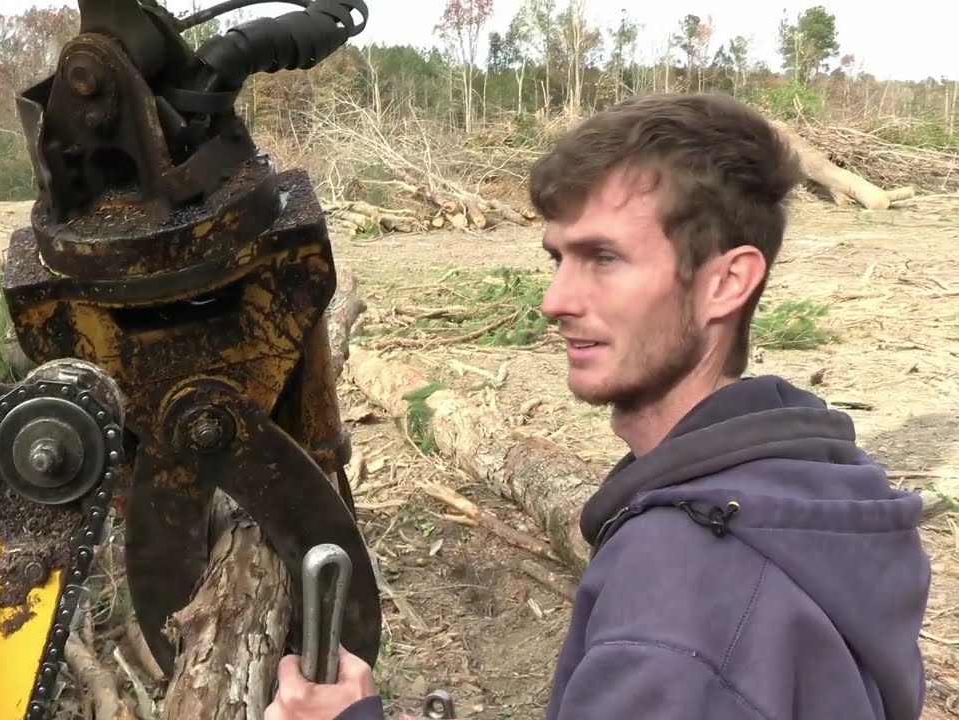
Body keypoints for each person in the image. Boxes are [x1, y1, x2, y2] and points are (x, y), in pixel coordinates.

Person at [264, 91, 932, 720]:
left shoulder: (679, 608)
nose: (555, 300)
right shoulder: (817, 489)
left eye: (603, 258)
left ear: (728, 282)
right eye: (559, 258)